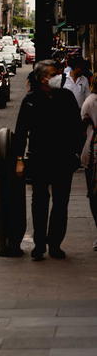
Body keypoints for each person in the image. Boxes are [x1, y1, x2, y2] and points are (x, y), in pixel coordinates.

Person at [14, 59, 83, 260]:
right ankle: (39, 244)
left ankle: (55, 244)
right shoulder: (31, 100)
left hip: (63, 159)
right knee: (40, 203)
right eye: (54, 73)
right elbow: (21, 132)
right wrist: (19, 159)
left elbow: (76, 128)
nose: (59, 76)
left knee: (61, 204)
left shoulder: (66, 97)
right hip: (39, 158)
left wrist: (76, 153)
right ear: (43, 78)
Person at [81, 81, 97, 249]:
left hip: (92, 153)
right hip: (93, 152)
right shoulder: (91, 101)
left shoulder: (90, 101)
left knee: (94, 195)